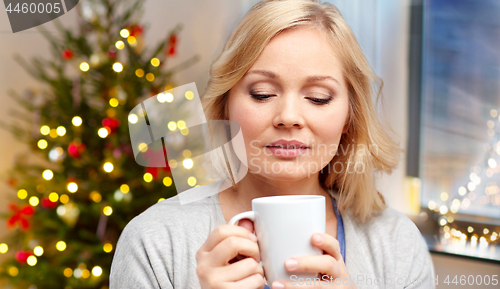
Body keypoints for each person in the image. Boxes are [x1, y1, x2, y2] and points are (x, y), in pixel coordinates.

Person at [109, 0, 436, 288]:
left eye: (318, 98)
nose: (289, 116)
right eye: (262, 93)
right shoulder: (154, 242)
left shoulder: (396, 244)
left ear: (349, 117)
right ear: (226, 106)